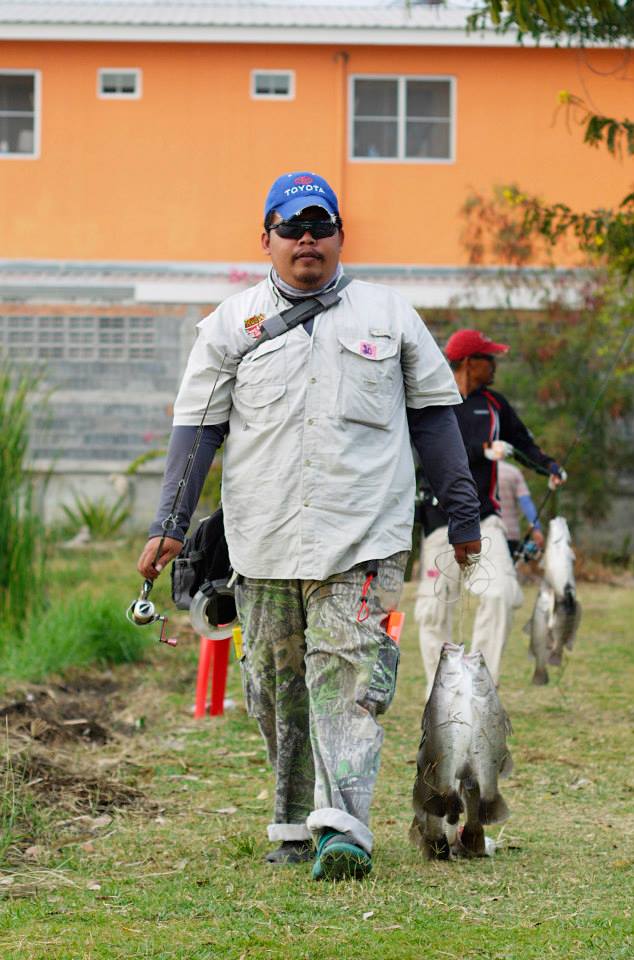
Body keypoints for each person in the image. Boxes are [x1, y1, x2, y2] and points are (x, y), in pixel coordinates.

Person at [137, 171, 481, 882]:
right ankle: (294, 819)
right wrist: (171, 522)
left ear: (339, 237)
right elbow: (197, 430)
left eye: (320, 226)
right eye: (291, 227)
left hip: (363, 535)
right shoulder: (231, 326)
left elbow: (435, 423)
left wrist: (463, 513)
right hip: (262, 539)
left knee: (351, 677)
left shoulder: (389, 315)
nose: (306, 240)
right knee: (274, 686)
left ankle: (344, 827)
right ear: (265, 238)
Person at [415, 328, 566, 694]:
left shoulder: (495, 405)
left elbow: (524, 444)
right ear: (469, 362)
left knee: (499, 594)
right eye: (489, 359)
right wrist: (480, 449)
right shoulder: (431, 399)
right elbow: (425, 454)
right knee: (433, 613)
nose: (495, 366)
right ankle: (444, 694)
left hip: (486, 521)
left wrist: (550, 467)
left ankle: (480, 688)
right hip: (439, 523)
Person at [497, 459, 544, 558]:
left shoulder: (476, 472)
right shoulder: (513, 472)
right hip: (511, 533)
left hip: (485, 534)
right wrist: (536, 529)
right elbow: (526, 502)